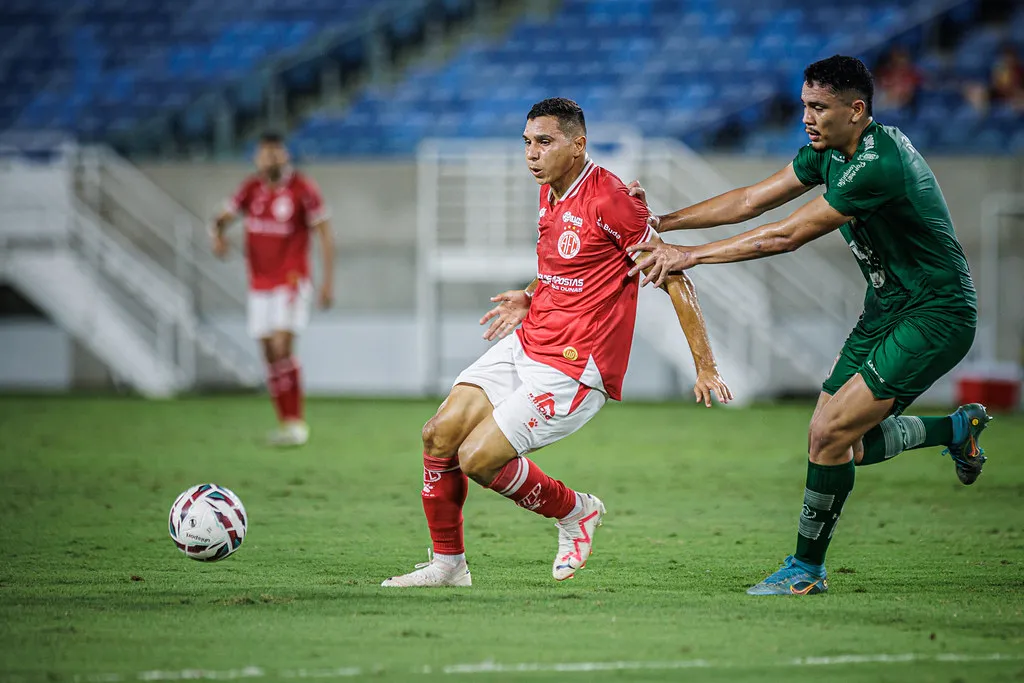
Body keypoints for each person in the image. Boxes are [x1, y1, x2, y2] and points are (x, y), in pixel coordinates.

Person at [625, 56, 991, 596]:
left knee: (827, 435)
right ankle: (956, 430)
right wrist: (663, 222)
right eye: (804, 106)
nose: (807, 118)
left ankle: (806, 570)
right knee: (838, 443)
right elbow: (750, 200)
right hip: (886, 308)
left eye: (819, 107)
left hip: (936, 312)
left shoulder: (877, 163)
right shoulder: (830, 154)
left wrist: (690, 256)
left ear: (856, 109)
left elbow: (784, 236)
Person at [382, 97, 733, 587]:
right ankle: (448, 566)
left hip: (574, 368)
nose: (532, 154)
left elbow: (673, 275)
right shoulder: (550, 190)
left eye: (544, 142)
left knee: (477, 459)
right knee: (437, 433)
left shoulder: (610, 199)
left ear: (578, 144)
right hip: (530, 341)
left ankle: (576, 512)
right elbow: (563, 267)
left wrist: (706, 365)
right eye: (527, 143)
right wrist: (529, 296)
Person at [211, 132, 334, 447]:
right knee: (268, 352)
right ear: (257, 158)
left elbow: (324, 234)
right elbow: (222, 217)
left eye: (275, 154)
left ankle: (297, 423)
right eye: (264, 154)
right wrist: (218, 235)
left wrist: (327, 282)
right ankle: (285, 423)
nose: (270, 159)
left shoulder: (302, 189)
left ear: (285, 156)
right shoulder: (250, 190)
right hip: (259, 283)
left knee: (282, 346)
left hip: (291, 279)